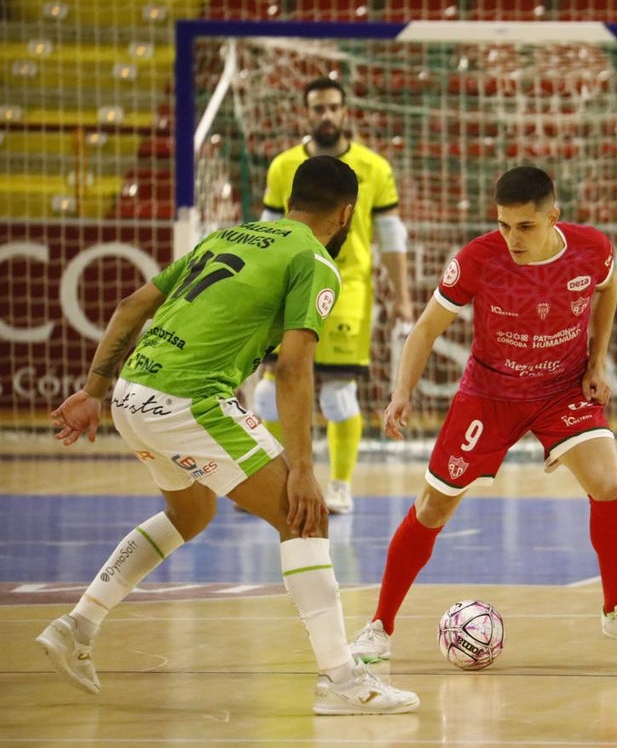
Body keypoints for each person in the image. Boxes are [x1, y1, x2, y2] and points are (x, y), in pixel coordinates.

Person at [35, 156, 420, 716]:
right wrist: (305, 471)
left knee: (190, 516)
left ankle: (78, 626)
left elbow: (131, 306)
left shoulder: (228, 235)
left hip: (130, 395)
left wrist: (94, 391)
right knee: (301, 515)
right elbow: (292, 369)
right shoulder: (313, 260)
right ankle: (341, 681)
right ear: (347, 214)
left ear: (291, 198)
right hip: (189, 401)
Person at [349, 165, 617, 664]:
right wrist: (400, 392)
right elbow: (426, 329)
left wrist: (596, 362)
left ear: (552, 217)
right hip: (489, 394)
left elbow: (608, 291)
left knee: (607, 481)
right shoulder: (478, 258)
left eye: (524, 227)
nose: (511, 237)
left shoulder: (592, 248)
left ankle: (616, 608)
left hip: (562, 388)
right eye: (503, 224)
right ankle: (379, 627)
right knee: (433, 507)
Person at [253, 76, 415, 515]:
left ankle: (341, 486)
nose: (326, 115)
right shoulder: (283, 166)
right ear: (307, 113)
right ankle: (277, 480)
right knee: (267, 393)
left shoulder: (373, 167)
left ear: (345, 112)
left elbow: (390, 235)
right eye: (318, 108)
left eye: (333, 108)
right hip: (288, 285)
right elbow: (267, 232)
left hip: (348, 289)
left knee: (339, 394)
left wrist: (402, 295)